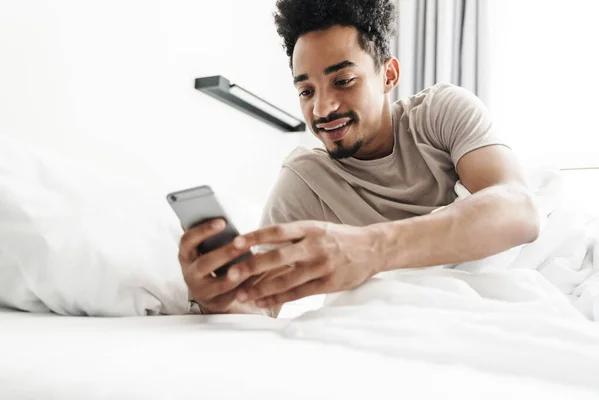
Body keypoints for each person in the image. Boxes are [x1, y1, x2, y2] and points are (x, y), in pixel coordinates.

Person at [178, 0, 541, 318]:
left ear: (389, 75)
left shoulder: (439, 113)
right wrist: (218, 298)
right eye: (306, 90)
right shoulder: (306, 181)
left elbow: (519, 210)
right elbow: (261, 305)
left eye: (344, 80)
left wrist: (368, 249)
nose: (322, 108)